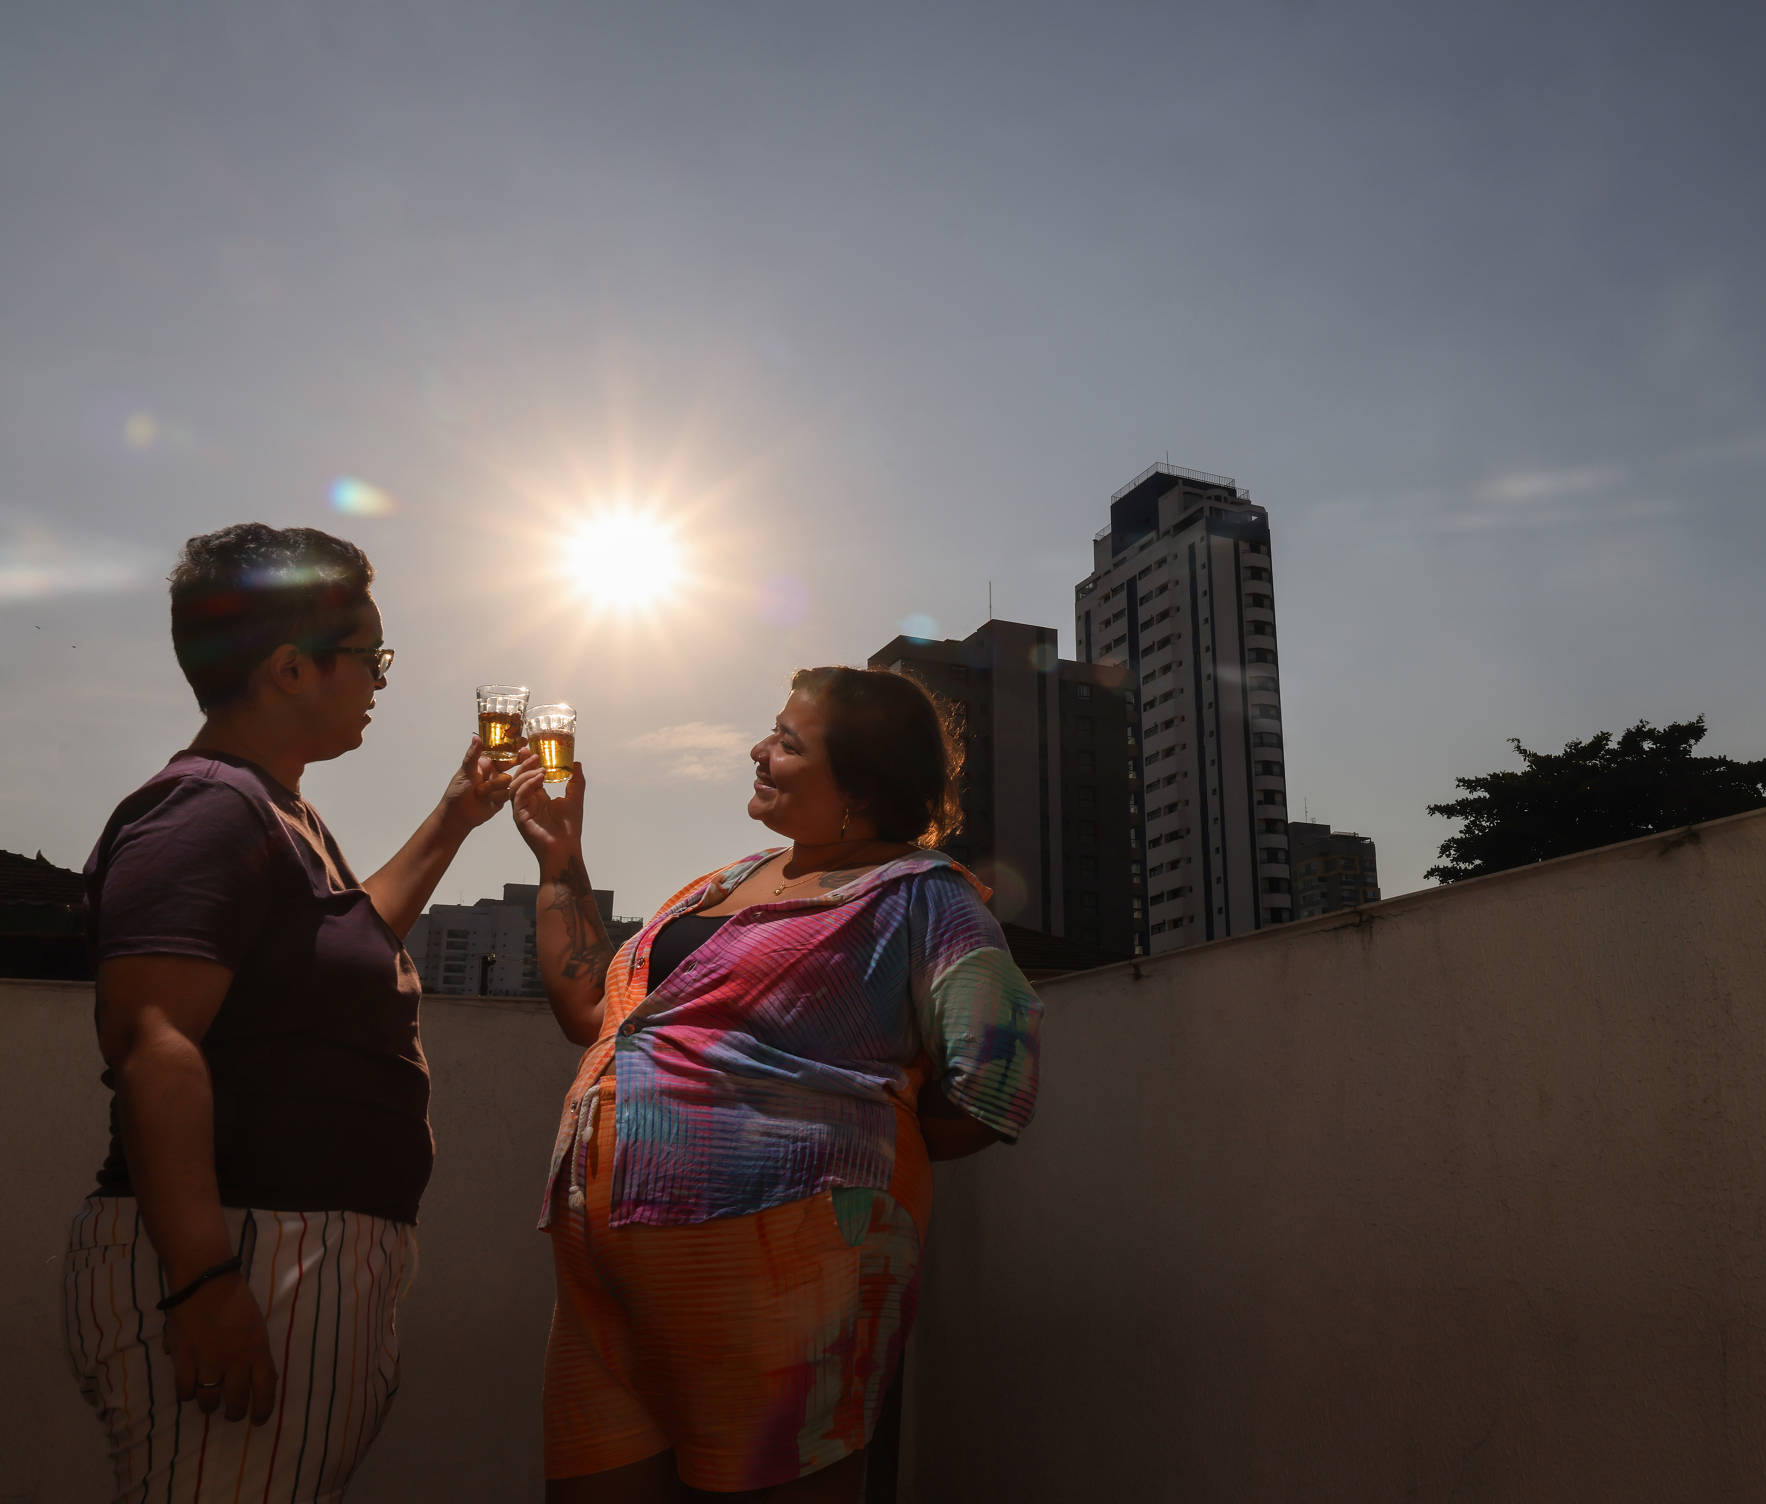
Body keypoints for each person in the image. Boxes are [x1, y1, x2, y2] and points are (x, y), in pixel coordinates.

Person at [63, 523, 518, 1502]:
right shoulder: (203, 812)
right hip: (246, 1252)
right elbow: (155, 1044)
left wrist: (455, 814)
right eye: (371, 656)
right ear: (290, 669)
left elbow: (354, 942)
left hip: (283, 1254)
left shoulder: (276, 815)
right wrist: (203, 1282)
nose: (382, 682)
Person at [511, 664, 1041, 1502]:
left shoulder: (925, 898)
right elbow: (590, 1008)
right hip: (601, 1275)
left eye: (788, 742)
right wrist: (560, 859)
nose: (759, 750)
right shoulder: (721, 884)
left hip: (785, 1284)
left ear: (861, 789)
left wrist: (830, 1161)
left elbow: (995, 1082)